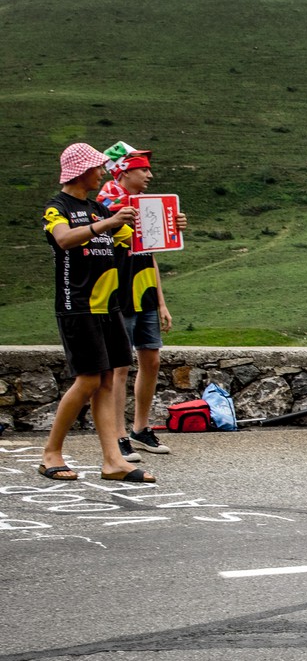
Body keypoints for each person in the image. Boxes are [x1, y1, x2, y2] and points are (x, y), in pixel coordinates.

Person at [40, 142, 153, 483]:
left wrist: (170, 224)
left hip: (108, 306)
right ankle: (51, 453)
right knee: (88, 379)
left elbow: (137, 241)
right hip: (78, 305)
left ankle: (112, 461)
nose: (102, 172)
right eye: (97, 167)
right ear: (81, 171)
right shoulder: (56, 207)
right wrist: (105, 224)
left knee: (106, 380)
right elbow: (63, 240)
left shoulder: (98, 209)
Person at [97, 149, 177, 463]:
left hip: (143, 290)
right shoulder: (105, 204)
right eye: (144, 170)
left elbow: (152, 252)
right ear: (125, 172)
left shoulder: (146, 207)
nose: (149, 176)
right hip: (118, 293)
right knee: (119, 366)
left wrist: (161, 301)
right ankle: (117, 436)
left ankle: (139, 429)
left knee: (152, 359)